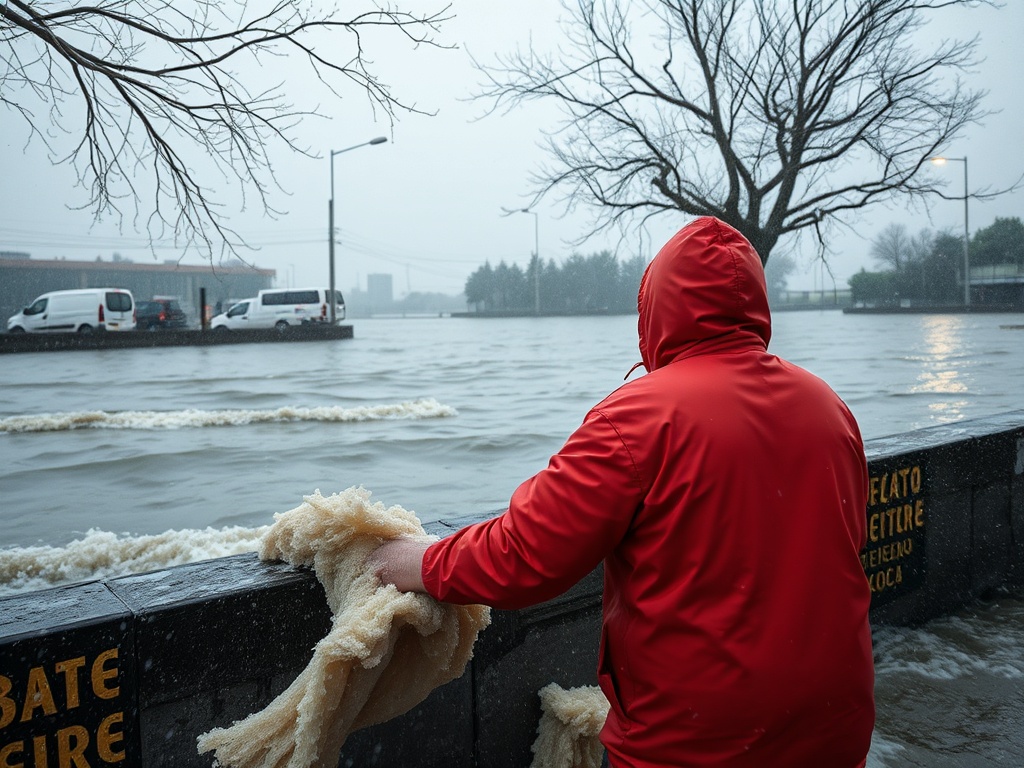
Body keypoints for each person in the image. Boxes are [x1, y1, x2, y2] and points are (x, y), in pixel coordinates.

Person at [370, 216, 875, 768]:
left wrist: (413, 561)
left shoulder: (638, 416)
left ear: (656, 309)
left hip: (695, 746)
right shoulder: (827, 407)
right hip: (832, 731)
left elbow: (523, 556)